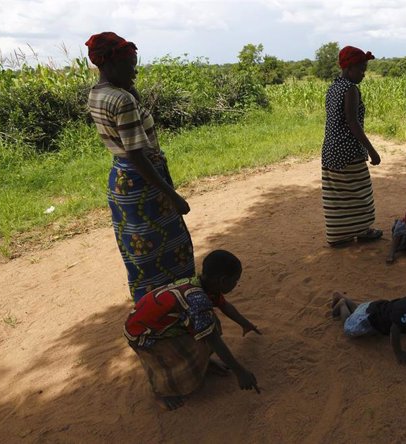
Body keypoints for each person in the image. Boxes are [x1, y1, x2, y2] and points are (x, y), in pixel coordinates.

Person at [86, 32, 194, 301]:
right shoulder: (121, 101)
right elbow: (137, 154)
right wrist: (173, 195)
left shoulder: (98, 93)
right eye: (131, 66)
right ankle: (178, 304)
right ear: (110, 66)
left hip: (122, 182)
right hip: (144, 183)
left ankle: (150, 305)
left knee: (139, 254)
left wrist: (130, 91)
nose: (135, 72)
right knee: (170, 250)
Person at [124, 250, 261, 410]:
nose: (236, 284)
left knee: (210, 325)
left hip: (162, 325)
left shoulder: (201, 284)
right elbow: (214, 341)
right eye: (235, 281)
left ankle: (203, 364)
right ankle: (162, 392)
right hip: (144, 336)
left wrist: (245, 324)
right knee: (180, 356)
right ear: (223, 281)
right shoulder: (197, 300)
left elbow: (224, 306)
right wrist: (240, 372)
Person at [321, 45, 383, 248]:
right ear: (349, 69)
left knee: (338, 196)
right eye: (361, 69)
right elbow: (352, 122)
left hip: (330, 150)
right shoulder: (350, 89)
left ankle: (338, 236)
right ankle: (363, 231)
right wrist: (372, 151)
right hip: (348, 151)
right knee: (360, 192)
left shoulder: (334, 87)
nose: (364, 73)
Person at [331, 274, 406, 365]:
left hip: (374, 308)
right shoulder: (404, 311)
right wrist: (399, 353)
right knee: (349, 329)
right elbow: (394, 332)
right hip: (370, 317)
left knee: (358, 312)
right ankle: (342, 305)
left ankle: (343, 298)